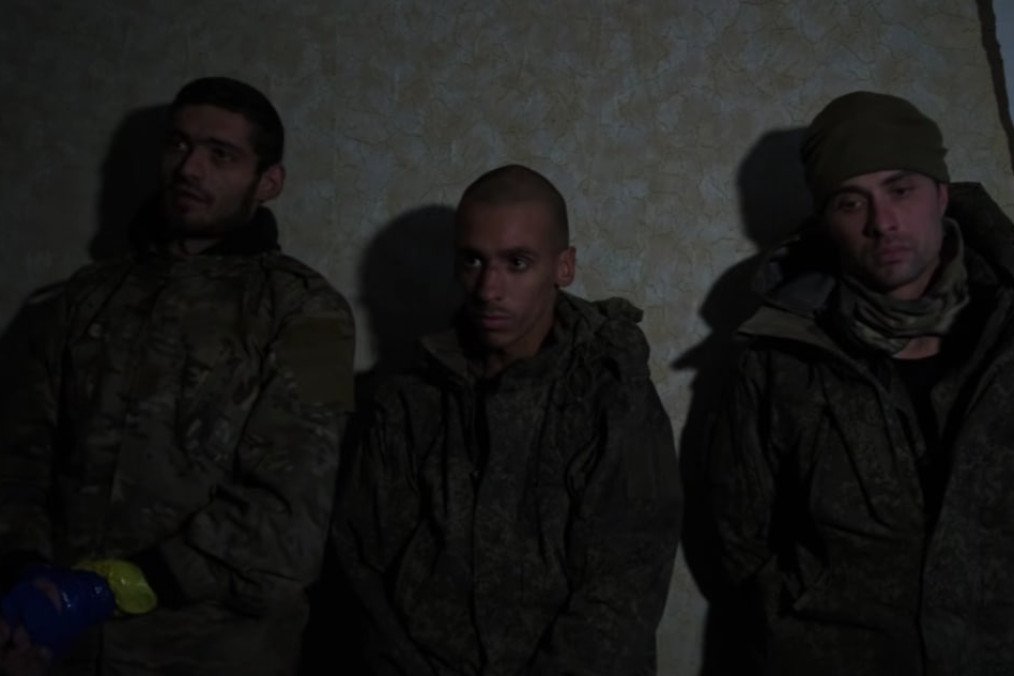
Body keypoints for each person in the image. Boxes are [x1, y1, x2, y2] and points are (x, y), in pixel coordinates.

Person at [0, 76, 355, 675]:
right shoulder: (83, 298)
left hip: (211, 653)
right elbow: (21, 450)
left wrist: (112, 587)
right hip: (57, 650)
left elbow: (290, 519)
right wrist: (25, 576)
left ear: (269, 182)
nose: (190, 168)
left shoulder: (315, 317)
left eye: (222, 155)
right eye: (179, 145)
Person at [709, 90, 1014, 674]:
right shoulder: (781, 354)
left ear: (942, 194)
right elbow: (737, 535)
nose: (883, 222)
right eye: (851, 203)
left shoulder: (1006, 331)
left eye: (901, 190)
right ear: (826, 221)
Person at [334, 164, 682, 674]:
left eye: (517, 262)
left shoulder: (612, 395)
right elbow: (361, 568)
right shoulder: (409, 399)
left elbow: (624, 587)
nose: (489, 288)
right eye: (473, 261)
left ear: (563, 268)